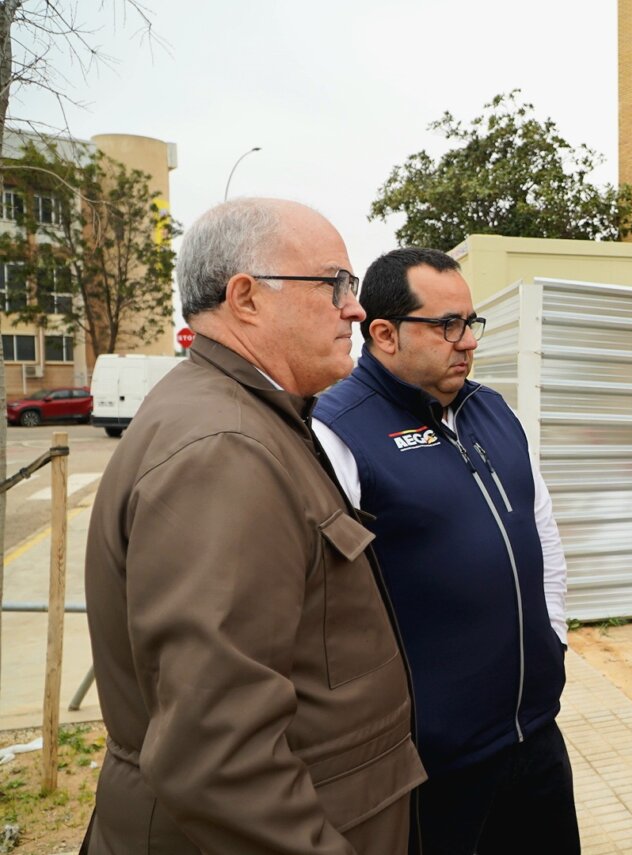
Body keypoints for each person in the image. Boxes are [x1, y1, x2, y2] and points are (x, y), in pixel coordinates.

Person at [83, 199, 426, 853]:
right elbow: (217, 754)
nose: (354, 307)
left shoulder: (246, 414)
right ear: (245, 298)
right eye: (335, 284)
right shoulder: (225, 446)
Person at [312, 247, 578, 855]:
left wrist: (553, 642)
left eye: (470, 322)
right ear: (383, 333)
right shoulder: (336, 433)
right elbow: (322, 610)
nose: (467, 342)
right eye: (446, 325)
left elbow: (544, 540)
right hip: (431, 767)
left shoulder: (493, 409)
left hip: (534, 737)